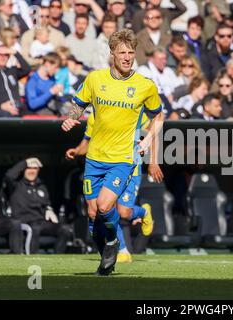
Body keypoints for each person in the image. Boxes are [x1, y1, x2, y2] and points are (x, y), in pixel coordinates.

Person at [61, 29, 164, 276]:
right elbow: (78, 104)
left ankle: (113, 243)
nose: (127, 57)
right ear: (112, 54)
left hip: (123, 158)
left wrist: (149, 139)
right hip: (95, 158)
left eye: (131, 52)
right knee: (93, 213)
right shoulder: (95, 79)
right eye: (122, 53)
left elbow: (158, 115)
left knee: (108, 207)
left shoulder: (144, 85)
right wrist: (71, 119)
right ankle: (106, 255)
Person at [65, 112, 163, 262]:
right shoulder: (94, 117)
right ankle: (122, 250)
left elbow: (152, 133)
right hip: (103, 168)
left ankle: (143, 212)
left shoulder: (132, 110)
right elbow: (87, 142)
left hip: (130, 166)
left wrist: (153, 162)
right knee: (100, 209)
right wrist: (77, 151)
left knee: (123, 212)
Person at [4, 157, 71, 254]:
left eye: (35, 168)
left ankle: (58, 257)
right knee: (35, 228)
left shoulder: (42, 186)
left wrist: (49, 209)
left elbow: (47, 203)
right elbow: (9, 175)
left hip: (40, 221)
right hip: (23, 221)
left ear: (38, 170)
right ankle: (32, 256)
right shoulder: (16, 185)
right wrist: (25, 162)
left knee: (65, 229)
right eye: (29, 168)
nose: (32, 171)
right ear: (24, 170)